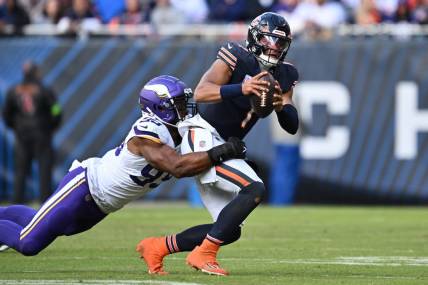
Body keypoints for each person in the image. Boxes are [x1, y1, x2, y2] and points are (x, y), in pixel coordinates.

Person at [0, 75, 247, 256]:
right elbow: (178, 167)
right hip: (86, 186)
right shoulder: (146, 133)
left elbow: (199, 155)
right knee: (28, 243)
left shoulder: (180, 132)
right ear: (161, 108)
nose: (186, 109)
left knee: (43, 224)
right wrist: (222, 151)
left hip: (102, 205)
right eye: (179, 105)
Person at [136, 12, 299, 276]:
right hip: (202, 134)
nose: (275, 47)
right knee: (254, 188)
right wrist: (242, 89)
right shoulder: (236, 55)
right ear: (255, 38)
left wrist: (281, 107)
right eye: (270, 40)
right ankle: (204, 253)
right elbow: (201, 91)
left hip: (225, 142)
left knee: (229, 229)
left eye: (280, 43)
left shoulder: (285, 73)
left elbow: (292, 125)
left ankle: (158, 247)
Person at [2, 61, 62, 204]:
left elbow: (6, 114)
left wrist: (16, 127)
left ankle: (16, 204)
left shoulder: (13, 91)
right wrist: (52, 126)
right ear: (36, 72)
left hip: (22, 136)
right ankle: (45, 204)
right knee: (44, 172)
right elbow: (56, 110)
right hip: (42, 135)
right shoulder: (45, 90)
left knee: (20, 172)